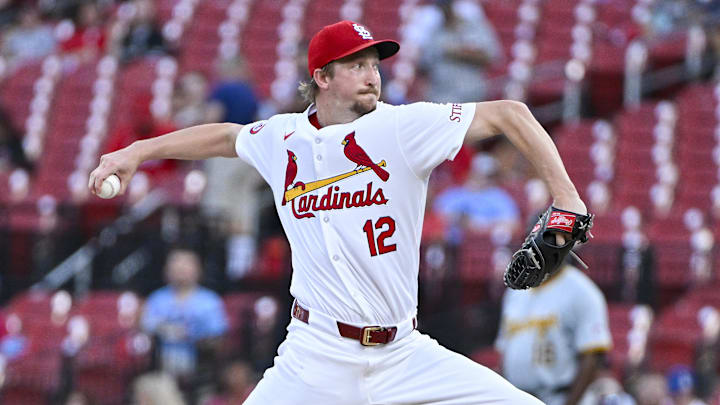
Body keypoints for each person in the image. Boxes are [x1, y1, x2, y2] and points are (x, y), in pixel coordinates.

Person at [90, 20, 588, 404]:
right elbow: (224, 136)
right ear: (322, 76)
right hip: (314, 354)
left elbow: (510, 114)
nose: (373, 75)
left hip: (403, 354)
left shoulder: (403, 128)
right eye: (357, 65)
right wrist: (136, 151)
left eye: (375, 64)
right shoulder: (283, 138)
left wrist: (566, 196)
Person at [495, 263, 612, 405]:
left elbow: (592, 357)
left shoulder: (583, 291)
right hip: (517, 397)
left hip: (559, 396)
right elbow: (506, 351)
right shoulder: (515, 289)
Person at [140, 247, 228, 378]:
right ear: (166, 270)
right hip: (161, 366)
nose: (180, 270)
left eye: (186, 265)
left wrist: (192, 336)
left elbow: (218, 336)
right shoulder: (157, 298)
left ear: (198, 270)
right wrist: (163, 330)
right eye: (176, 265)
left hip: (200, 367)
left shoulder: (210, 300)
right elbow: (145, 328)